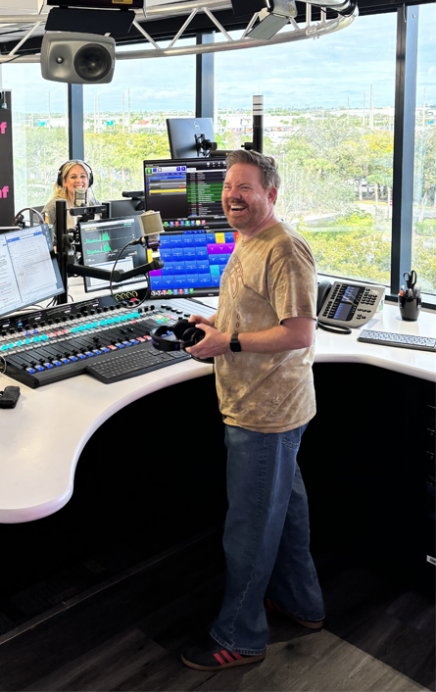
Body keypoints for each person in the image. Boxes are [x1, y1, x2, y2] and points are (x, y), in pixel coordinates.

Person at [180, 149, 324, 672]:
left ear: (271, 195)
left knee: (250, 528)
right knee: (285, 513)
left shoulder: (285, 249)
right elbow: (252, 306)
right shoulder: (248, 240)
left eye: (245, 187)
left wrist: (230, 342)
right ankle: (301, 602)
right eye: (228, 186)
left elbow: (299, 331)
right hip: (263, 404)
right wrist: (215, 321)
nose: (232, 196)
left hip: (266, 410)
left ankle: (240, 636)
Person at [43, 160, 101, 236]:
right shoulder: (52, 207)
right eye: (73, 177)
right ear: (64, 182)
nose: (79, 180)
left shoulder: (94, 203)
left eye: (83, 176)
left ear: (89, 181)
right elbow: (48, 241)